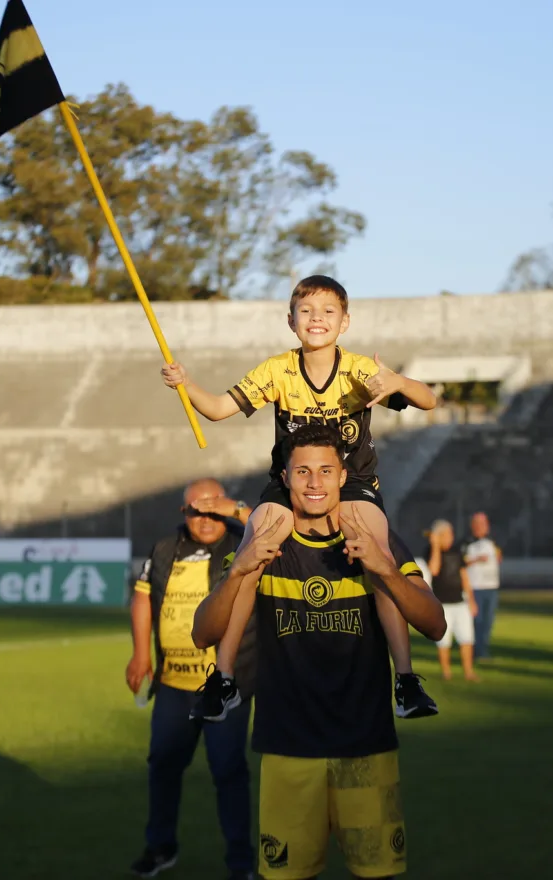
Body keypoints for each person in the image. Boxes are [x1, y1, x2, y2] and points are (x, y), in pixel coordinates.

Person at [162, 275, 438, 723]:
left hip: (352, 481)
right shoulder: (276, 370)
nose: (317, 319)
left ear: (345, 321)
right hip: (289, 481)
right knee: (253, 550)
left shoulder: (359, 371)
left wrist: (398, 381)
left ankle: (405, 679)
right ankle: (224, 678)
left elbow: (429, 402)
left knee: (376, 550)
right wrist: (184, 383)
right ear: (290, 321)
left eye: (328, 311)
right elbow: (215, 409)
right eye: (306, 311)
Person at [191, 424, 447, 880]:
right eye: (303, 471)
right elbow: (202, 634)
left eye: (326, 471)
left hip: (366, 748)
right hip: (287, 749)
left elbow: (434, 624)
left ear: (343, 475)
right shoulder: (266, 537)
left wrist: (384, 569)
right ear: (284, 479)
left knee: (378, 874)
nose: (314, 483)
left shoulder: (372, 535)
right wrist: (237, 574)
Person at [125, 479, 258, 879]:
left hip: (226, 689)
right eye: (196, 509)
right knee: (162, 766)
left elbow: (272, 527)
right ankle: (160, 846)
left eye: (212, 507)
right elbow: (144, 597)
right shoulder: (166, 548)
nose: (205, 517)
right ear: (183, 513)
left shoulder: (243, 541)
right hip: (174, 686)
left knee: (228, 771)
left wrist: (233, 507)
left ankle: (241, 863)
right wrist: (140, 653)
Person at [428, 519, 480, 682]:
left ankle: (469, 672)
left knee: (467, 638)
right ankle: (446, 672)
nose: (451, 538)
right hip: (441, 604)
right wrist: (435, 546)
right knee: (444, 641)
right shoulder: (430, 551)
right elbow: (434, 570)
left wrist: (471, 600)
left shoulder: (457, 552)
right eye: (447, 535)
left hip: (460, 602)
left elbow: (464, 576)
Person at [462, 511, 502, 661]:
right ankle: (476, 651)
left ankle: (483, 649)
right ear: (472, 525)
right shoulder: (466, 542)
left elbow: (498, 557)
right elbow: (461, 562)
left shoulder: (493, 541)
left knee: (488, 621)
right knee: (476, 621)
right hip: (475, 586)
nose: (481, 527)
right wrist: (476, 559)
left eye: (484, 524)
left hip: (491, 586)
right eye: (478, 523)